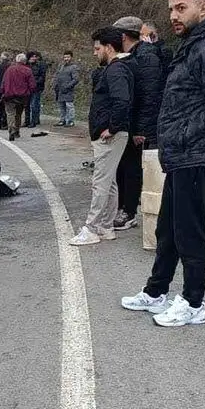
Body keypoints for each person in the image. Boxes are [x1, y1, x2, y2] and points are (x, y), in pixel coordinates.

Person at [121, 0, 205, 327]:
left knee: (191, 232)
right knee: (168, 228)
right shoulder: (193, 45)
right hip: (184, 152)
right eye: (171, 9)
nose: (174, 16)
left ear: (203, 9)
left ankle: (194, 303)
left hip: (201, 151)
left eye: (182, 8)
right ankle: (156, 292)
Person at [70, 28, 134, 246]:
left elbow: (122, 101)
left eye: (97, 49)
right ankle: (106, 227)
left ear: (109, 47)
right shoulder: (115, 70)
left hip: (109, 136)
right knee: (110, 181)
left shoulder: (116, 71)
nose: (95, 53)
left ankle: (92, 227)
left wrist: (112, 128)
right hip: (110, 134)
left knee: (100, 181)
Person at [110, 16, 165, 231]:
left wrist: (141, 129)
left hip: (140, 124)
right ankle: (123, 206)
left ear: (123, 36)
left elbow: (150, 95)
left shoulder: (147, 56)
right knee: (124, 165)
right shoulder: (128, 56)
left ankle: (129, 210)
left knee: (132, 167)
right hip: (129, 121)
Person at [0, 52, 36, 141]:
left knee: (10, 113)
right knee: (18, 114)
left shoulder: (9, 69)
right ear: (24, 61)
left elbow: (3, 82)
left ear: (16, 60)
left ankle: (11, 129)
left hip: (9, 95)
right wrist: (30, 92)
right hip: (22, 96)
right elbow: (32, 85)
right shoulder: (28, 70)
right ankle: (16, 130)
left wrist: (2, 91)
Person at [54, 50, 80, 127]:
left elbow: (76, 79)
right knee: (61, 106)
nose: (66, 59)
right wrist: (56, 86)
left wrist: (68, 86)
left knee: (69, 106)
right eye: (65, 57)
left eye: (68, 57)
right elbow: (57, 76)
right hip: (60, 90)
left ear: (71, 57)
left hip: (68, 90)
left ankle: (70, 121)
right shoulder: (61, 66)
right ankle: (62, 120)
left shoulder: (73, 67)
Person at [27, 51, 48, 132]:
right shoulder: (27, 66)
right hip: (28, 88)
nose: (34, 58)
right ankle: (31, 120)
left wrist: (34, 84)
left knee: (34, 105)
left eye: (35, 56)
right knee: (30, 105)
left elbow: (42, 77)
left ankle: (34, 121)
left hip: (36, 87)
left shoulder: (40, 65)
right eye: (32, 57)